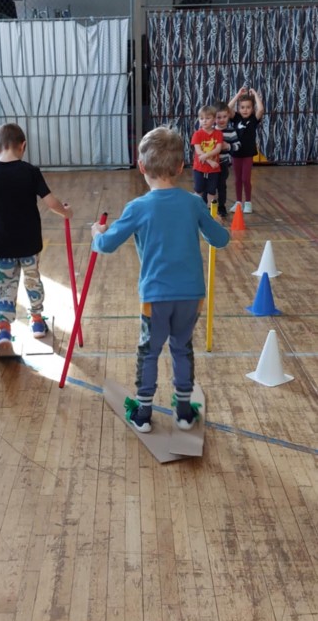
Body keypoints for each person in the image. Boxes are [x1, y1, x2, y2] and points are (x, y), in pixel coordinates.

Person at [91, 126, 229, 433]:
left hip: (156, 295)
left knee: (149, 350)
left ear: (141, 167)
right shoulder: (194, 203)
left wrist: (96, 235)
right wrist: (216, 223)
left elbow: (107, 245)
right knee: (182, 347)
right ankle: (183, 412)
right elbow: (220, 240)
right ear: (181, 167)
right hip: (192, 294)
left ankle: (143, 413)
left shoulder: (138, 207)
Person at [0, 123, 72, 352]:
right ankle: (37, 321)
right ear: (23, 146)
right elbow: (51, 202)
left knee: (4, 286)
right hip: (29, 243)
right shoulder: (31, 171)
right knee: (32, 280)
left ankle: (4, 330)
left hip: (2, 244)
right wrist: (65, 212)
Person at [228, 86, 264, 214]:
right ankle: (238, 202)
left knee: (245, 179)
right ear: (238, 108)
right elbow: (228, 108)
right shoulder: (236, 118)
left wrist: (255, 95)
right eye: (242, 107)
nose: (245, 110)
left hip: (248, 154)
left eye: (248, 107)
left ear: (252, 109)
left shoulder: (253, 119)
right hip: (236, 153)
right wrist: (238, 95)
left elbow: (261, 109)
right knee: (237, 179)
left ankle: (248, 202)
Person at [190, 105, 223, 207]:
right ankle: (196, 209)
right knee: (198, 189)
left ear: (214, 120)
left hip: (213, 169)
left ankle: (211, 211)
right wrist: (210, 161)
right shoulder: (197, 134)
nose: (204, 121)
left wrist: (206, 156)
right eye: (201, 118)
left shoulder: (218, 134)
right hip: (199, 167)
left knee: (212, 191)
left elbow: (218, 149)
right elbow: (198, 151)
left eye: (207, 118)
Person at [214, 101, 241, 218]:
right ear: (214, 118)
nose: (222, 120)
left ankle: (221, 206)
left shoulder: (231, 131)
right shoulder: (210, 130)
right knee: (209, 186)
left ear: (229, 116)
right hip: (210, 164)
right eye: (218, 117)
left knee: (221, 186)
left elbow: (238, 145)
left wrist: (228, 146)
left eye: (224, 117)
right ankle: (208, 206)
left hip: (223, 163)